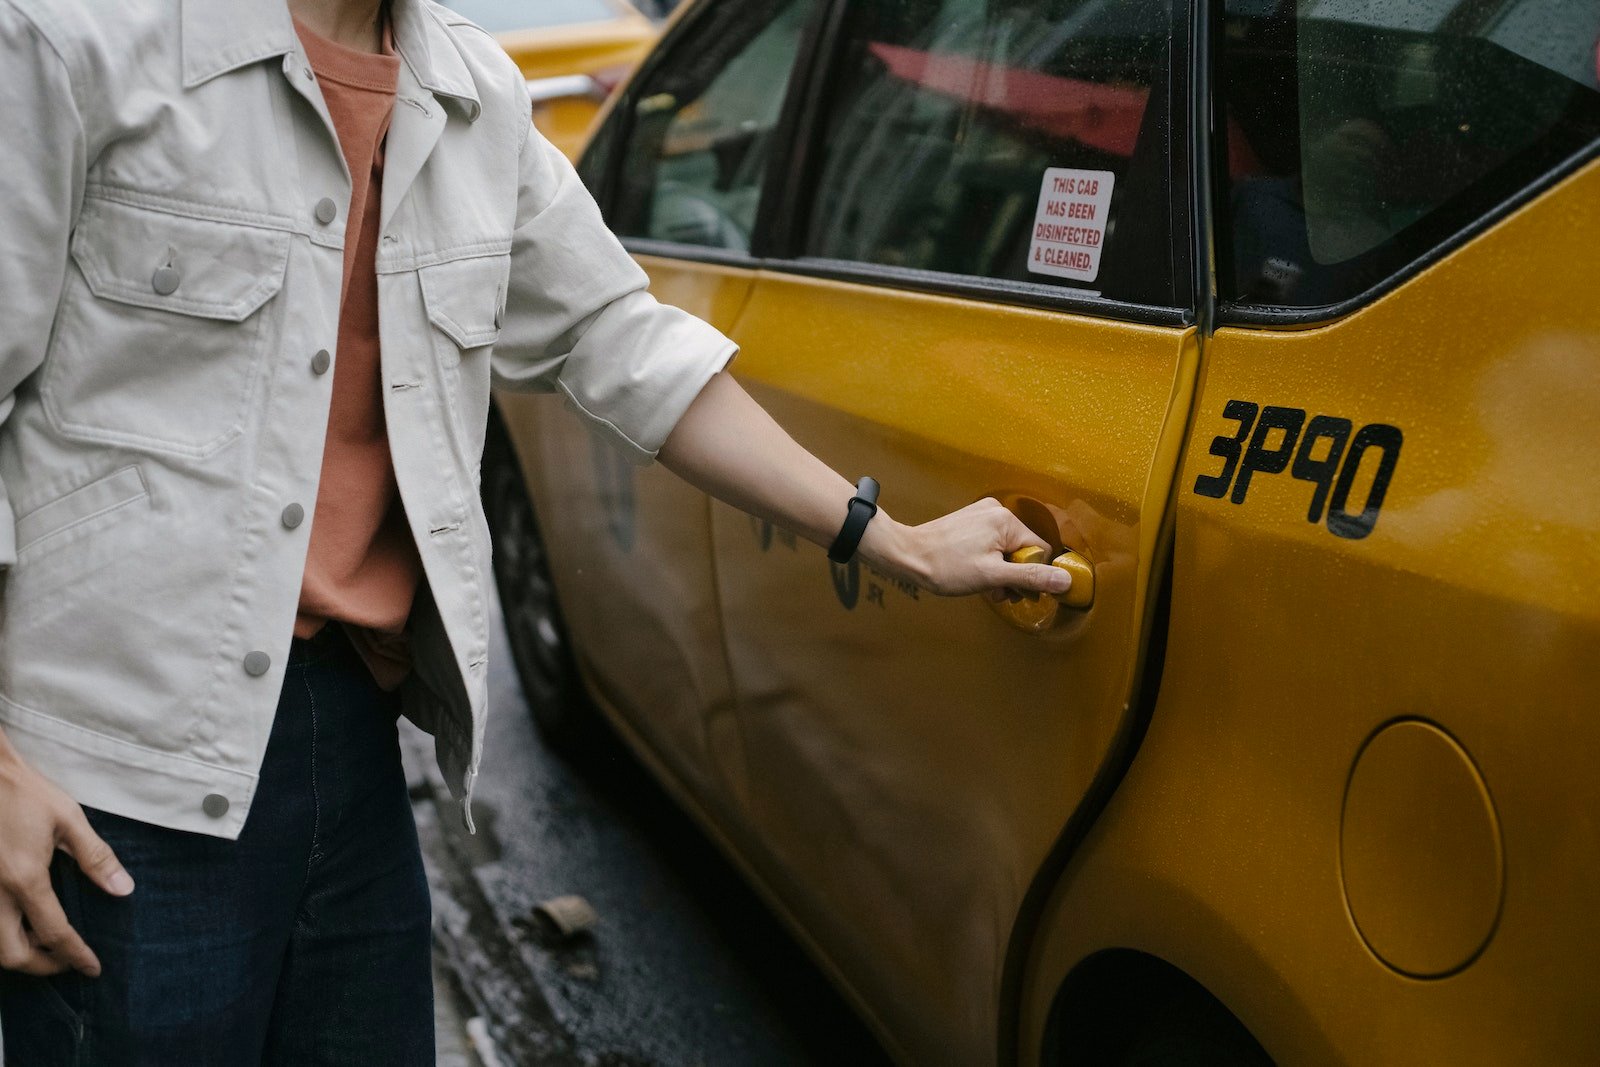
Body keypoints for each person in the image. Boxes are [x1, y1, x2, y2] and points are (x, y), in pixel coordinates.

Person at [0, 0, 1072, 1061]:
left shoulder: (473, 91)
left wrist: (891, 538)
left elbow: (617, 337)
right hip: (111, 767)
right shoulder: (73, 39)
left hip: (354, 735)